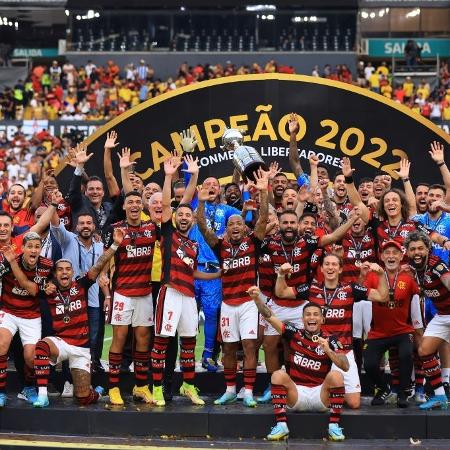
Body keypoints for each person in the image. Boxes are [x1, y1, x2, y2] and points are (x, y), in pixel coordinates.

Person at [275, 254, 389, 409]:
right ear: (321, 268)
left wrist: (381, 275)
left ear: (340, 269)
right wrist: (281, 275)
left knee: (354, 403)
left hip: (343, 351)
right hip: (318, 352)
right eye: (327, 264)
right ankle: (326, 398)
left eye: (334, 264)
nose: (330, 267)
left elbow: (382, 297)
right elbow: (281, 292)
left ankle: (331, 396)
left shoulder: (351, 288)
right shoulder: (311, 288)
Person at [197, 168, 269, 407]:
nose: (236, 226)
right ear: (226, 229)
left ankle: (247, 391)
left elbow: (264, 218)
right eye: (231, 224)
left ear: (244, 227)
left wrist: (264, 191)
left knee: (250, 347)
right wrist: (201, 202)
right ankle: (229, 389)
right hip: (228, 304)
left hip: (249, 305)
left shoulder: (253, 242)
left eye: (239, 223)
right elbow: (203, 227)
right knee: (228, 349)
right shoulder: (221, 247)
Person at [151, 155, 220, 407]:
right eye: (179, 214)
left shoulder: (192, 243)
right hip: (169, 294)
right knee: (161, 343)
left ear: (191, 220)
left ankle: (188, 386)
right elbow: (172, 206)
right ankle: (157, 389)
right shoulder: (167, 234)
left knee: (189, 342)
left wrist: (217, 274)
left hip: (189, 296)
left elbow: (193, 273)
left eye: (187, 215)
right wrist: (170, 176)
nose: (183, 217)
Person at [31, 226, 124, 407]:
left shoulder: (81, 285)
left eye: (68, 269)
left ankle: (95, 392)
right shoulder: (49, 291)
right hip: (63, 343)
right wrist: (43, 287)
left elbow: (97, 266)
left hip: (81, 348)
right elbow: (31, 281)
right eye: (60, 270)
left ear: (72, 273)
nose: (64, 272)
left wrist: (114, 245)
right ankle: (42, 396)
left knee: (83, 398)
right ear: (55, 274)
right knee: (41, 346)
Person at [248, 292, 349, 442]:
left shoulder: (331, 339)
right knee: (277, 375)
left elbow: (345, 366)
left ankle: (333, 426)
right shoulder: (294, 333)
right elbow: (270, 316)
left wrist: (328, 350)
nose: (312, 317)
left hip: (320, 395)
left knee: (337, 376)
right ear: (302, 319)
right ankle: (281, 426)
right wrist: (257, 300)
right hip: (297, 394)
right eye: (308, 315)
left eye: (316, 315)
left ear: (322, 319)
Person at [103, 191, 159, 405]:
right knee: (119, 338)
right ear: (124, 207)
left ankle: (141, 386)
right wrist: (106, 290)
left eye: (138, 201)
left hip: (144, 293)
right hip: (122, 294)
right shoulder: (115, 229)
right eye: (130, 202)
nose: (134, 205)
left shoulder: (152, 228)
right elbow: (106, 258)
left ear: (142, 206)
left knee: (143, 340)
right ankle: (113, 388)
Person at [0, 231, 53, 407]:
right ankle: (0, 392)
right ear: (22, 248)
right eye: (29, 246)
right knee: (2, 345)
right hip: (8, 310)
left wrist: (13, 263)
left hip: (31, 315)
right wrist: (9, 262)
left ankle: (29, 388)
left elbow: (31, 289)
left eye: (37, 246)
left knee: (31, 357)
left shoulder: (47, 266)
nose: (33, 250)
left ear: (41, 249)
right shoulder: (7, 261)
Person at [363, 240, 419, 408]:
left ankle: (402, 392)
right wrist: (362, 274)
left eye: (395, 253)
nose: (391, 256)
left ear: (402, 256)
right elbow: (362, 292)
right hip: (378, 332)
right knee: (370, 363)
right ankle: (382, 388)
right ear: (381, 256)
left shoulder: (408, 278)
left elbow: (419, 294)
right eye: (387, 253)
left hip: (402, 330)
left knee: (406, 355)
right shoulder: (373, 276)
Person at [405, 231, 450, 410]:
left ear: (428, 249)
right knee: (424, 350)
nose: (417, 252)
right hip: (442, 315)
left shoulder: (436, 264)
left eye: (421, 249)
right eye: (413, 249)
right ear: (407, 252)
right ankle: (440, 397)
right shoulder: (412, 267)